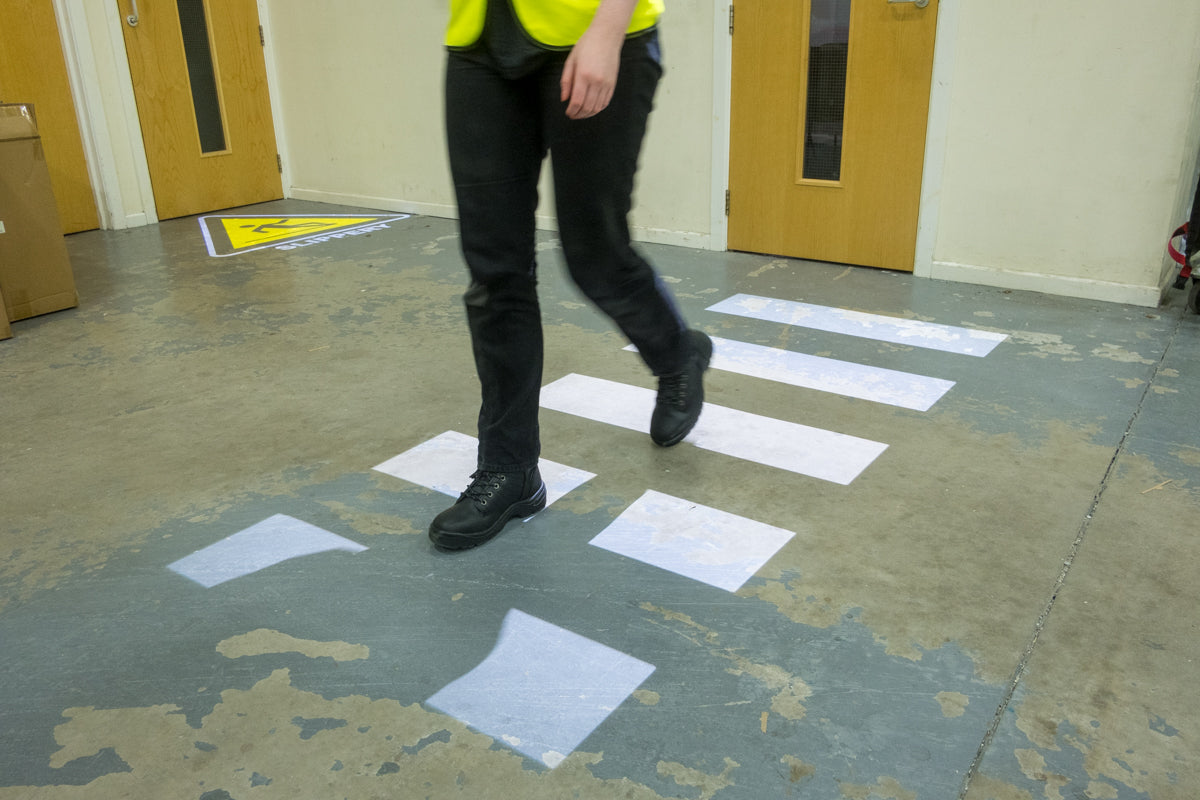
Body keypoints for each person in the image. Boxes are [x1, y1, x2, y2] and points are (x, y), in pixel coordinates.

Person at [429, 0, 712, 551]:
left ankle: (677, 352)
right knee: (495, 272)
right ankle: (509, 470)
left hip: (595, 32)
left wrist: (607, 29)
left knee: (595, 256)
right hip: (479, 43)